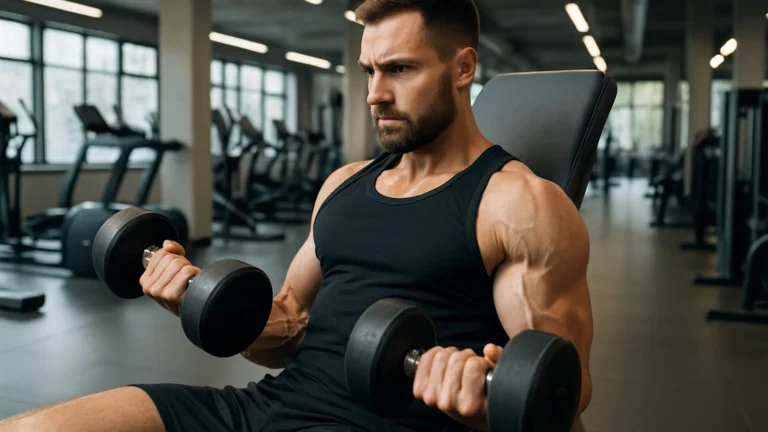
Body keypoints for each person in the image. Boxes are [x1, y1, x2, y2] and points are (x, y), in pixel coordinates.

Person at [0, 0, 593, 431]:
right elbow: (288, 326)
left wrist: (478, 394)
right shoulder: (343, 184)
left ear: (463, 69)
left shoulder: (517, 204)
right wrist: (195, 297)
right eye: (368, 71)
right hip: (265, 408)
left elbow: (562, 394)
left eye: (400, 70)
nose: (374, 93)